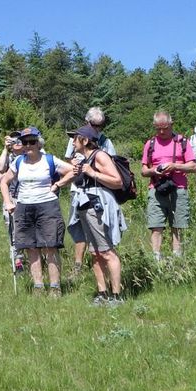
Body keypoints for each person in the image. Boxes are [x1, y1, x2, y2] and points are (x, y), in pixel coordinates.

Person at [0, 127, 74, 296]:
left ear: (39, 143)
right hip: (24, 206)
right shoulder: (18, 162)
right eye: (25, 142)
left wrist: (57, 185)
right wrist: (8, 202)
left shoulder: (49, 159)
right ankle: (38, 287)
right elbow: (4, 181)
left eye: (32, 141)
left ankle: (55, 287)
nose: (28, 145)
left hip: (47, 205)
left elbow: (72, 171)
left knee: (51, 246)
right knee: (30, 248)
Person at [58, 126, 127, 305]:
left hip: (98, 207)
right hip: (84, 205)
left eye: (75, 139)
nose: (72, 142)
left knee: (106, 251)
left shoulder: (100, 156)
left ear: (85, 141)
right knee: (95, 252)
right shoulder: (82, 159)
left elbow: (117, 181)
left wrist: (92, 172)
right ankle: (102, 293)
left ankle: (116, 295)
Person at [64, 107, 116, 275]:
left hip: (99, 193)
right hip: (78, 190)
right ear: (87, 122)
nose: (98, 129)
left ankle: (107, 265)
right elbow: (68, 160)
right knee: (77, 226)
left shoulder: (106, 142)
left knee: (101, 230)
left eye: (101, 125)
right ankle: (78, 267)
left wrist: (93, 170)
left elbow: (112, 167)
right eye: (95, 125)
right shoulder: (77, 137)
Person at [140, 110, 196, 262]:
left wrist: (174, 166)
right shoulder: (150, 144)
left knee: (177, 226)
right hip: (156, 189)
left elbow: (193, 166)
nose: (162, 131)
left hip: (178, 189)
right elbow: (143, 170)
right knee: (156, 226)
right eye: (158, 128)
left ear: (171, 125)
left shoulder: (182, 142)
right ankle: (156, 261)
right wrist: (154, 171)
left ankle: (177, 260)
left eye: (165, 127)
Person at [0, 131, 25, 271]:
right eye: (13, 141)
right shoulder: (9, 156)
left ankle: (32, 258)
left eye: (18, 140)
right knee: (12, 230)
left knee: (25, 230)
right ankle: (18, 261)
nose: (15, 143)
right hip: (11, 197)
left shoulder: (28, 155)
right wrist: (5, 149)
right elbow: (0, 169)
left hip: (26, 196)